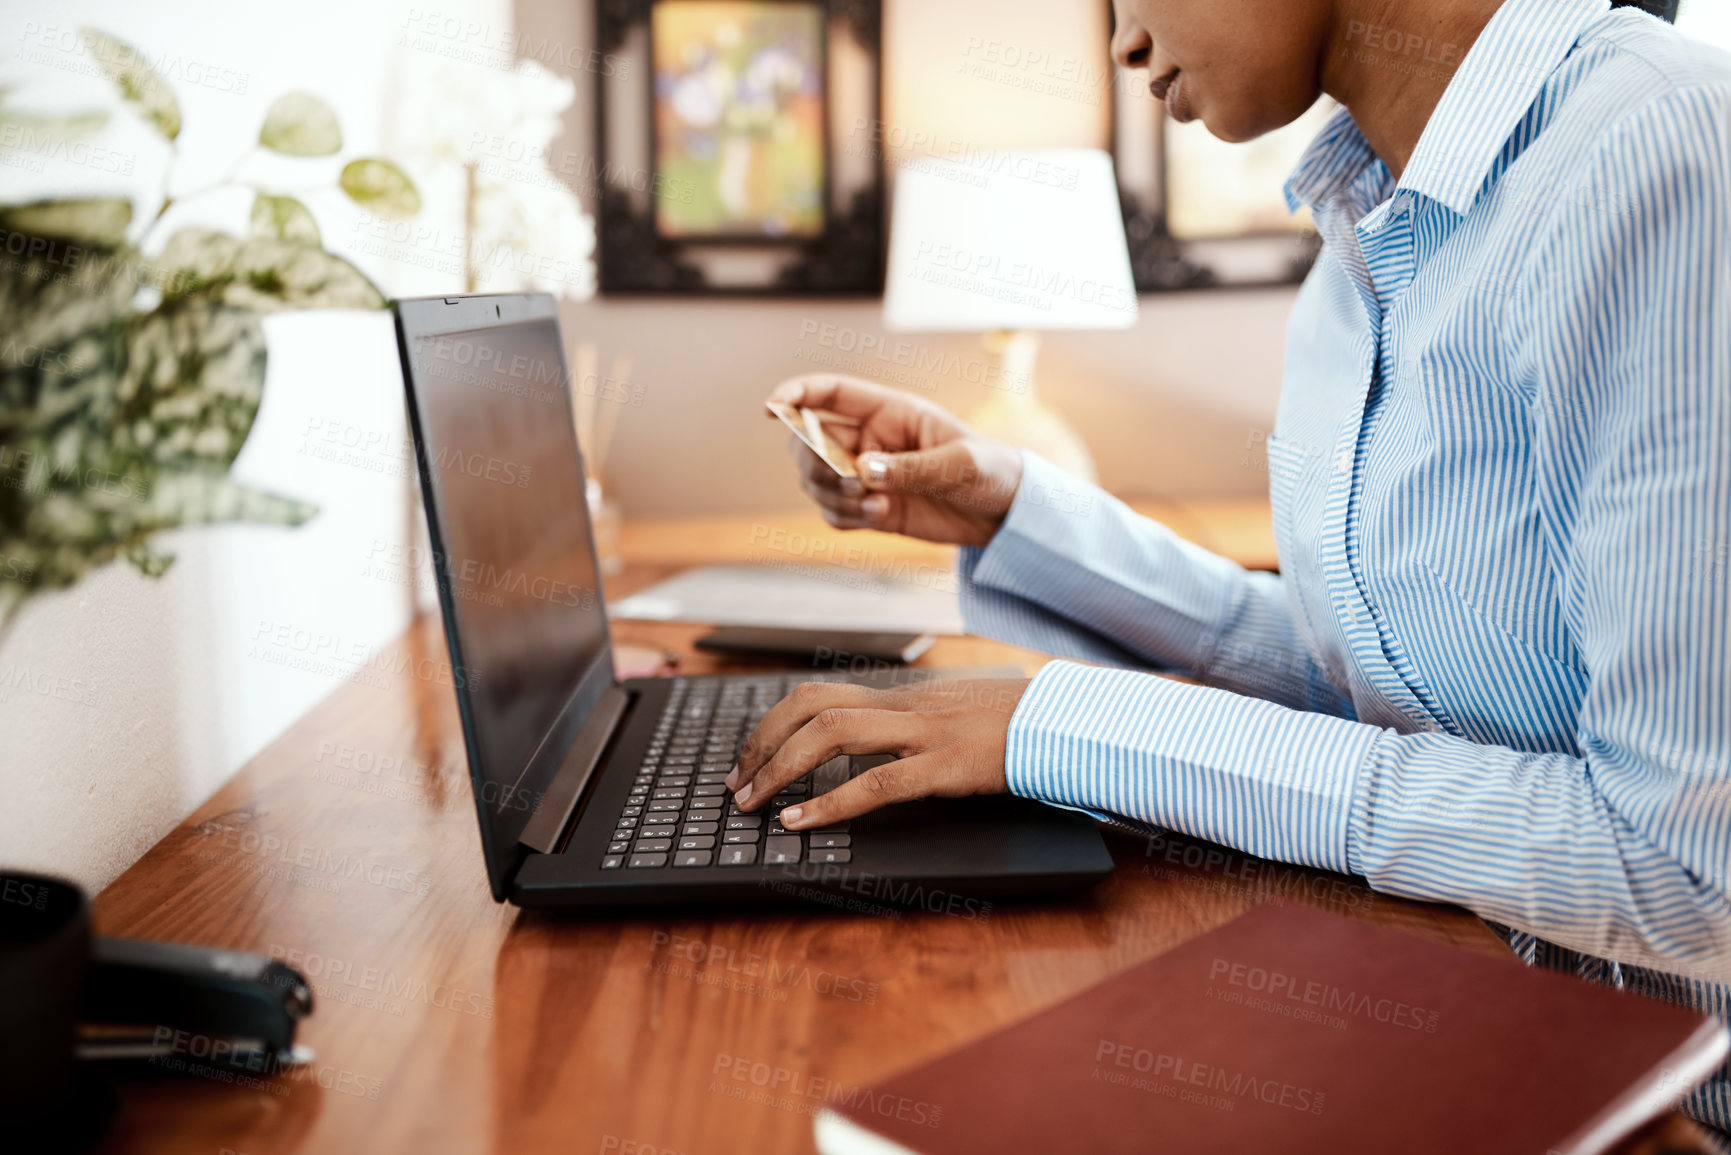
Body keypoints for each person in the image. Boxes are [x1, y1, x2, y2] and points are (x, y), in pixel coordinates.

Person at [726, 0, 1731, 1136]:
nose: (1119, 42)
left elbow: (1681, 873)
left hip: (1664, 1111)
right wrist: (1016, 513)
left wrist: (1062, 725)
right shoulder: (1367, 228)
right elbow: (1362, 684)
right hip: (1455, 994)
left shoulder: (1659, 150)